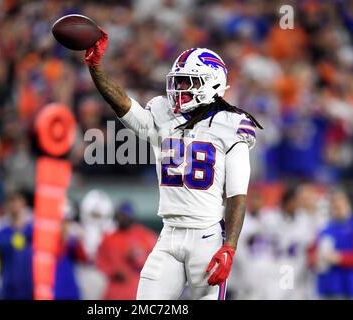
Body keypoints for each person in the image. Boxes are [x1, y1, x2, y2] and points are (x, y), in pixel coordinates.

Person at [84, 30, 262, 299]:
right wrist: (96, 68)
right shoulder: (163, 114)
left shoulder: (231, 124)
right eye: (178, 82)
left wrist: (229, 247)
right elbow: (122, 104)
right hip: (169, 234)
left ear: (211, 84)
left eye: (188, 82)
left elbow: (238, 194)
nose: (179, 90)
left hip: (207, 237)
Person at [96, 202, 157, 300]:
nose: (123, 219)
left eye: (125, 216)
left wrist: (138, 259)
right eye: (120, 216)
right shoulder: (108, 238)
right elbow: (100, 261)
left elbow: (156, 261)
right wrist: (113, 272)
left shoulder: (144, 235)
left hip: (138, 288)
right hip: (115, 290)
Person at [314, 189, 353, 299]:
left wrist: (340, 258)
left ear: (348, 203)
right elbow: (315, 256)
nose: (337, 205)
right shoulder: (324, 229)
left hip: (352, 287)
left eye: (340, 201)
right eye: (334, 202)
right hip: (329, 286)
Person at [75, 189, 115, 300]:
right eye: (94, 214)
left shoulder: (111, 230)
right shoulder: (78, 229)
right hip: (83, 272)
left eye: (98, 215)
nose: (96, 217)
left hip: (104, 274)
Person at [0, 192, 33, 300]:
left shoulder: (33, 230)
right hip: (8, 290)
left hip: (30, 289)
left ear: (23, 203)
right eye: (12, 201)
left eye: (18, 201)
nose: (15, 205)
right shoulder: (1, 233)